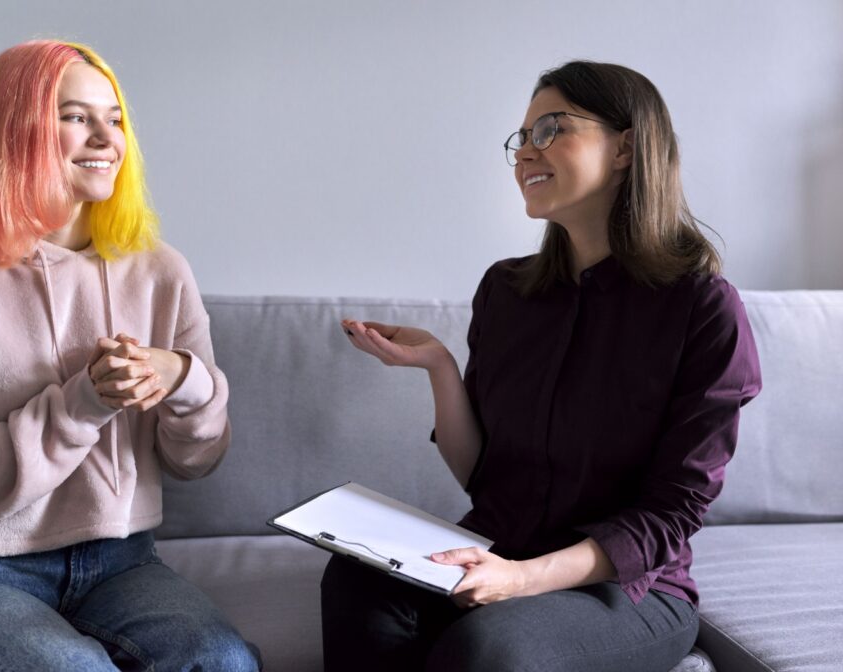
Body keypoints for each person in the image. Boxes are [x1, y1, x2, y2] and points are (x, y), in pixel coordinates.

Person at [322, 61, 762, 672]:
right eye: (522, 137)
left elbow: (672, 512)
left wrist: (522, 579)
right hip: (499, 551)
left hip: (624, 590)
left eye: (550, 128)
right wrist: (441, 368)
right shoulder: (506, 291)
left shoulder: (704, 308)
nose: (526, 152)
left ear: (626, 148)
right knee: (357, 579)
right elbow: (483, 477)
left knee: (490, 646)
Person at [0, 40, 260, 671]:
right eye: (75, 116)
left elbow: (196, 461)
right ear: (17, 131)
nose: (105, 138)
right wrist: (81, 404)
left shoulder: (161, 272)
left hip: (123, 563)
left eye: (114, 118)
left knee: (223, 661)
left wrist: (184, 382)